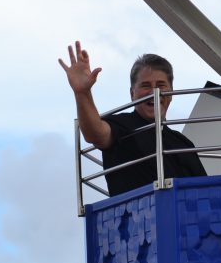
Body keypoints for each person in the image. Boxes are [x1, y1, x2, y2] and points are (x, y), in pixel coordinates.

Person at [59, 41, 207, 196]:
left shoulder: (183, 142)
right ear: (132, 94)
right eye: (145, 86)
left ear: (171, 92)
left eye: (161, 85)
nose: (154, 92)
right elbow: (95, 134)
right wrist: (82, 92)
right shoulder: (122, 124)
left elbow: (206, 191)